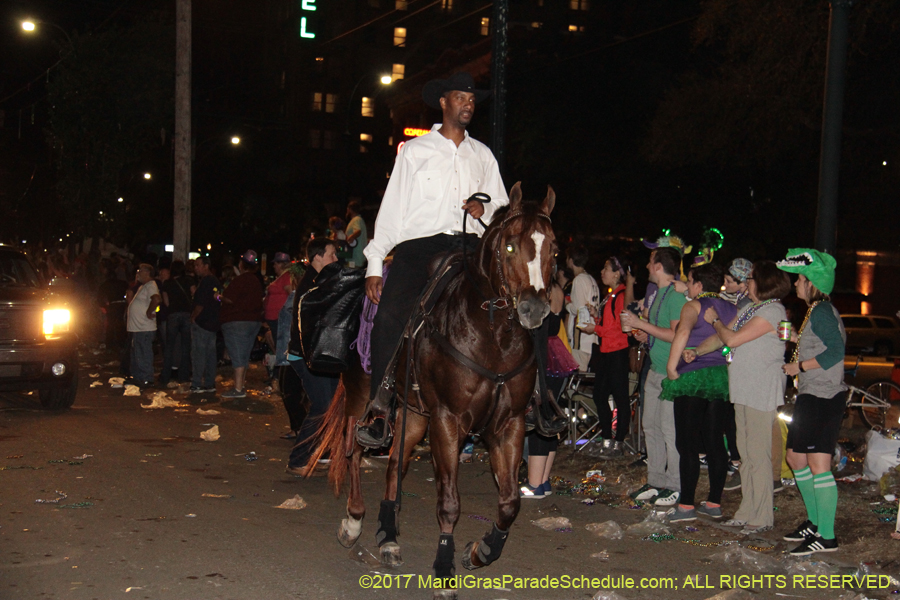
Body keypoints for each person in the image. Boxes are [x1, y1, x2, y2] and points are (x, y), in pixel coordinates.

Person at [355, 71, 509, 448]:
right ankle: (380, 409)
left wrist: (482, 210)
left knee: (517, 307)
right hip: (419, 248)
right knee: (390, 316)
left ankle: (531, 401)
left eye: (472, 99)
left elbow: (502, 208)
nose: (468, 104)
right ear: (444, 102)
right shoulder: (415, 151)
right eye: (461, 97)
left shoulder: (483, 155)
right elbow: (392, 212)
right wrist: (375, 263)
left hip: (470, 247)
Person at [695, 260, 791, 534]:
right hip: (744, 387)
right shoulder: (751, 308)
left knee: (758, 454)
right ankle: (747, 510)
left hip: (761, 389)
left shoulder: (773, 311)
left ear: (764, 283)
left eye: (751, 278)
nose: (746, 282)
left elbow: (732, 340)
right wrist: (696, 352)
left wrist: (714, 320)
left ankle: (762, 517)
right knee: (745, 454)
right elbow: (722, 337)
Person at [777, 249, 846, 556]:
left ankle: (826, 536)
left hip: (823, 396)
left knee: (818, 465)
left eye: (800, 280)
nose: (796, 285)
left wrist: (799, 367)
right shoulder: (815, 312)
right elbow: (820, 345)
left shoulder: (820, 312)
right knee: (795, 458)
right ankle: (816, 524)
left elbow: (835, 352)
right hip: (814, 395)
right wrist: (795, 340)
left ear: (811, 283)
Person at [661, 263, 737, 523]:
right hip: (720, 378)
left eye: (690, 282)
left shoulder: (693, 306)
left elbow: (682, 332)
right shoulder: (732, 308)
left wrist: (671, 368)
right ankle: (714, 502)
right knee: (716, 442)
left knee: (687, 444)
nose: (688, 287)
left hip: (692, 377)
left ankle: (686, 506)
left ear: (699, 285)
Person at [621, 247, 687, 507]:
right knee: (651, 427)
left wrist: (640, 325)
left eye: (650, 262)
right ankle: (656, 481)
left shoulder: (675, 297)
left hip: (672, 372)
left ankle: (675, 485)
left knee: (670, 431)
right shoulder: (660, 294)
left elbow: (675, 335)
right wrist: (645, 335)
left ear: (659, 266)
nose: (647, 266)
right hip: (656, 367)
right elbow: (660, 332)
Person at [285, 238, 341, 477]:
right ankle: (298, 459)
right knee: (322, 406)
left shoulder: (318, 281)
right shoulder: (311, 285)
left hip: (317, 355)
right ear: (318, 257)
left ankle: (320, 452)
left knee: (328, 406)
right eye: (332, 254)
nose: (335, 259)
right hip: (306, 356)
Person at [520, 269, 577, 498]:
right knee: (550, 417)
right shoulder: (558, 291)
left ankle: (534, 484)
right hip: (557, 356)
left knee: (539, 420)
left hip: (546, 357)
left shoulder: (546, 291)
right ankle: (543, 481)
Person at [587, 256, 633, 458]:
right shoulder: (611, 295)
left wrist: (595, 328)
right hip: (606, 352)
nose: (602, 272)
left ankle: (619, 442)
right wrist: (596, 316)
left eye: (606, 268)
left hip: (617, 352)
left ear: (616, 273)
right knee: (599, 395)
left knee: (621, 398)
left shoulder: (621, 295)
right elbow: (609, 323)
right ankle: (606, 438)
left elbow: (617, 329)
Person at [219, 250, 264, 399]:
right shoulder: (256, 280)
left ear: (241, 264)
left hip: (237, 321)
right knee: (244, 355)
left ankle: (238, 389)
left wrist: (218, 297)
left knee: (238, 354)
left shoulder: (241, 280)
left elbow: (229, 299)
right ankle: (240, 386)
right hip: (253, 321)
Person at [276, 263, 306, 440]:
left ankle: (301, 427)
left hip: (292, 352)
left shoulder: (298, 297)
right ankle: (297, 427)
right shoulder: (295, 296)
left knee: (290, 391)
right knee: (288, 391)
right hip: (287, 350)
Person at [565, 244, 600, 372]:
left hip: (581, 337)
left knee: (576, 372)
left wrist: (567, 305)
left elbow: (578, 309)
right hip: (591, 336)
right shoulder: (591, 279)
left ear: (571, 260)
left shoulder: (579, 280)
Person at [126, 264, 161, 387]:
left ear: (147, 273)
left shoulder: (151, 285)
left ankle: (146, 378)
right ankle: (138, 377)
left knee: (143, 353)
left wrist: (149, 311)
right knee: (137, 353)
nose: (138, 274)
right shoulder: (143, 287)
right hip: (138, 327)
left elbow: (156, 299)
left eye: (140, 271)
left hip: (144, 327)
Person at [159, 260, 193, 386]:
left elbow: (166, 302)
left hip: (173, 315)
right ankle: (183, 375)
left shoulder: (167, 283)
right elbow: (194, 293)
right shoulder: (189, 280)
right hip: (186, 314)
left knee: (169, 346)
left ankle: (165, 375)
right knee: (185, 346)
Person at [190, 257, 220, 394]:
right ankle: (209, 383)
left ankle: (197, 383)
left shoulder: (206, 281)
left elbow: (200, 303)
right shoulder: (214, 281)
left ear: (206, 266)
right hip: (212, 323)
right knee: (210, 354)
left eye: (198, 265)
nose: (195, 268)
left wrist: (194, 317)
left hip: (203, 323)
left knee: (199, 354)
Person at [345, 200, 368, 269]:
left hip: (355, 257)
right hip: (356, 256)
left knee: (351, 271)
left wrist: (350, 238)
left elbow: (358, 231)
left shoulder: (356, 219)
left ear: (350, 210)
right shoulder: (358, 219)